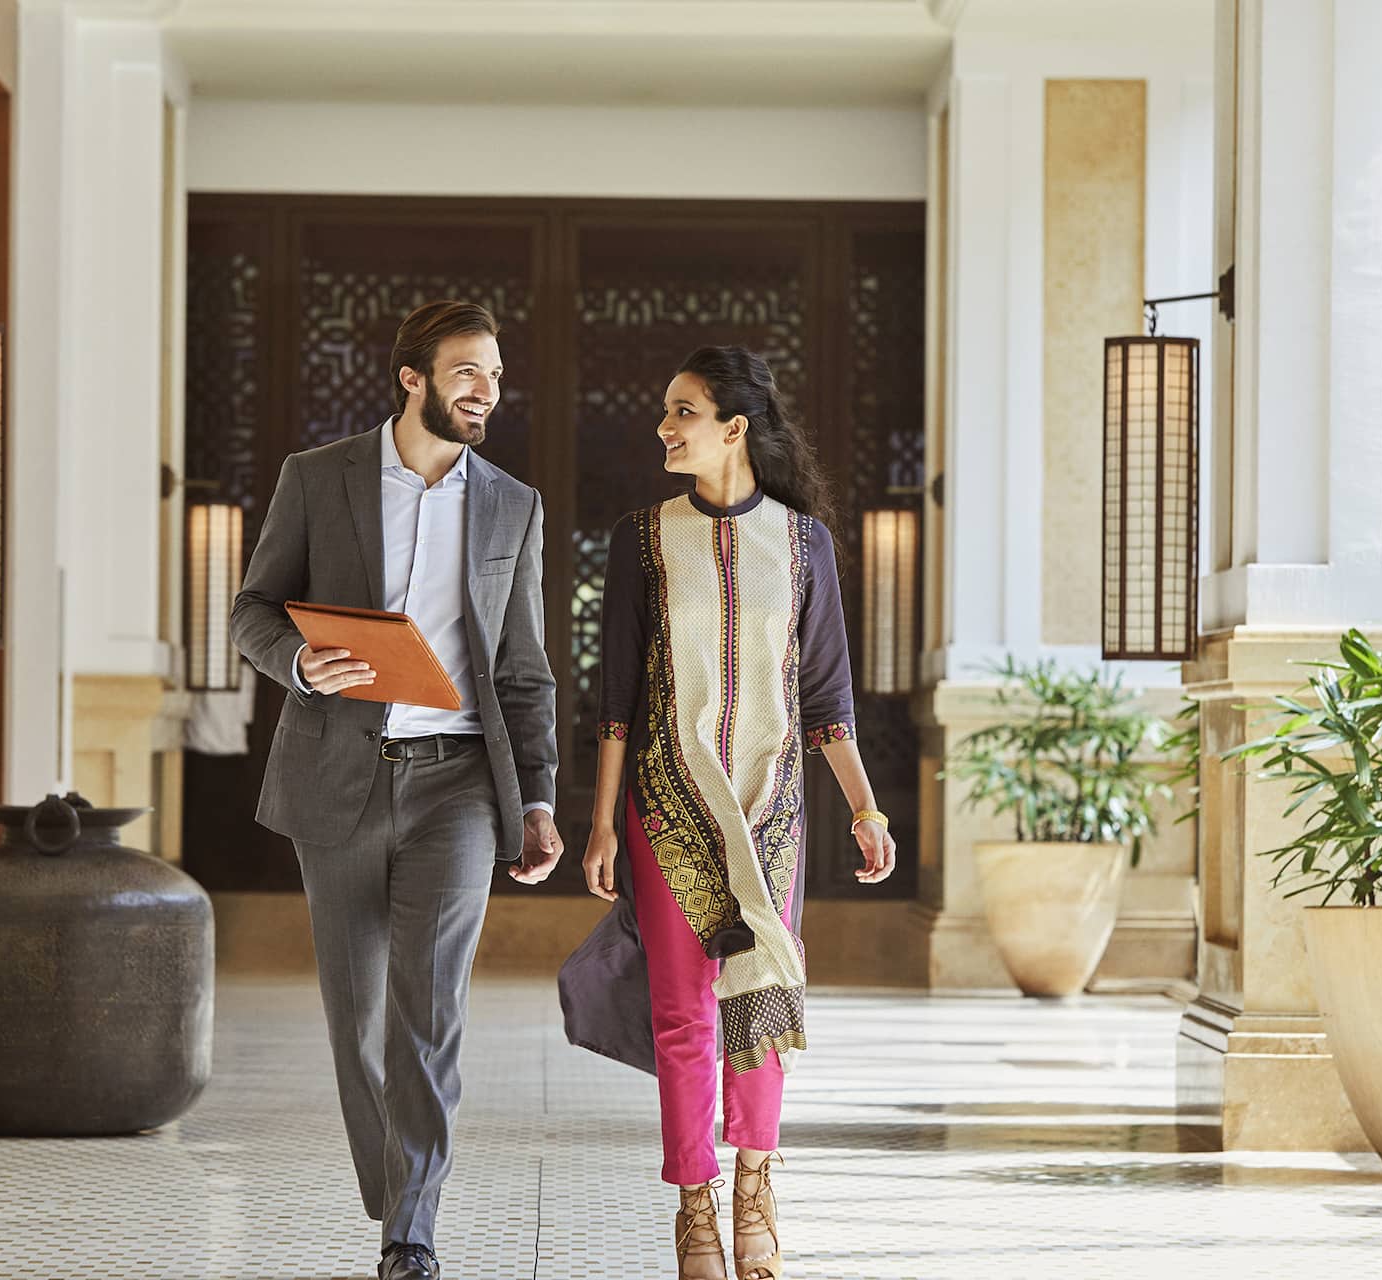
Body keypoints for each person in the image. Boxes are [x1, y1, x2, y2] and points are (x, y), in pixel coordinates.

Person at [231, 300, 564, 1280]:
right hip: (336, 772)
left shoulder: (512, 504)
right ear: (411, 376)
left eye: (496, 376)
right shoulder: (318, 477)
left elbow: (526, 669)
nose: (486, 391)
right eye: (466, 370)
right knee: (357, 1014)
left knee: (429, 1009)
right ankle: (399, 1177)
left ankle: (409, 1228)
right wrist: (297, 660)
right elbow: (252, 610)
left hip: (457, 783)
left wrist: (535, 798)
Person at [575, 346, 897, 1280]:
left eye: (682, 410)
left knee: (760, 999)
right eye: (665, 411)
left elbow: (827, 696)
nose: (665, 427)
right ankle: (695, 1207)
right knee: (682, 1013)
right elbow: (617, 698)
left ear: (734, 426)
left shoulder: (804, 545)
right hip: (667, 805)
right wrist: (601, 823)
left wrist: (866, 811)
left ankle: (756, 1184)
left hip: (771, 812)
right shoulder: (641, 538)